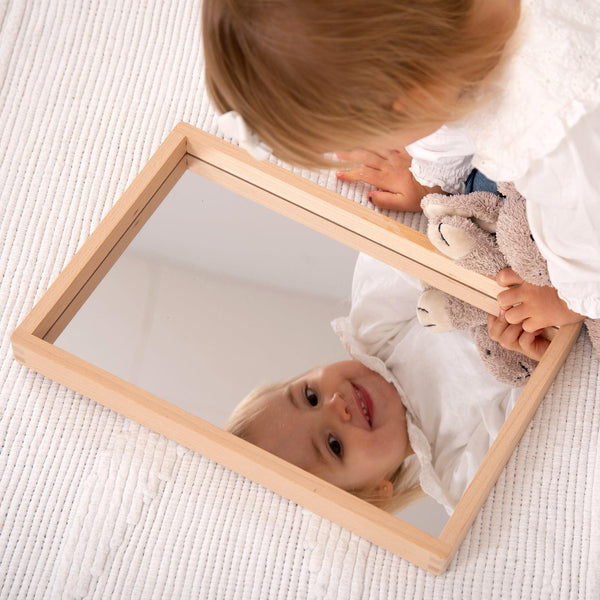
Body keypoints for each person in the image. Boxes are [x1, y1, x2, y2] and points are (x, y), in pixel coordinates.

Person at [203, 0, 600, 351]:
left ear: (417, 100)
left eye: (370, 136)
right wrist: (430, 176)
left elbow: (589, 240)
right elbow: (447, 98)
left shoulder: (552, 140)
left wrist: (567, 300)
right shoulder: (462, 33)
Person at [226, 254, 522, 515]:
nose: (335, 405)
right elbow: (532, 411)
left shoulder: (375, 329)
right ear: (374, 493)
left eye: (310, 396)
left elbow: (409, 248)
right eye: (334, 445)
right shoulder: (456, 475)